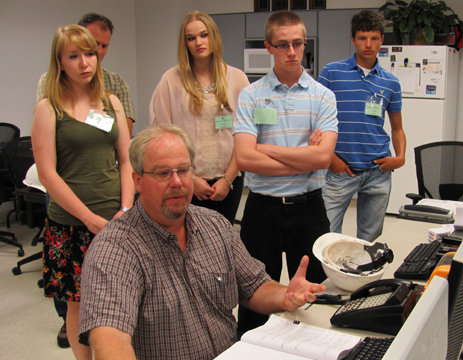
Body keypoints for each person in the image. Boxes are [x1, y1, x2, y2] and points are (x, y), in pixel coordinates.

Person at [78, 124, 326, 360]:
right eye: (163, 173)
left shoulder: (214, 225)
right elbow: (111, 339)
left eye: (183, 170)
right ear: (138, 180)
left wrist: (285, 296)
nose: (176, 182)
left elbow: (254, 286)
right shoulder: (116, 249)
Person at [31, 24, 135, 360]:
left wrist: (126, 209)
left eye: (89, 53)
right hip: (72, 224)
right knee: (78, 302)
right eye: (74, 56)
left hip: (117, 220)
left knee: (123, 297)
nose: (84, 62)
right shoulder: (49, 108)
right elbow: (47, 173)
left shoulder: (110, 102)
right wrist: (89, 218)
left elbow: (126, 161)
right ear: (60, 61)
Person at [233, 10, 338, 333]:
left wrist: (264, 148)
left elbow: (322, 158)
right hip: (262, 210)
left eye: (297, 43)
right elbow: (245, 160)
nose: (291, 52)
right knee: (254, 295)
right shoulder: (251, 95)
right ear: (268, 47)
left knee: (313, 294)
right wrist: (302, 153)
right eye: (282, 45)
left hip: (309, 209)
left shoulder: (323, 96)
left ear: (305, 43)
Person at [149, 11, 249, 225]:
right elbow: (162, 135)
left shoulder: (236, 78)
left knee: (222, 241)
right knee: (188, 243)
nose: (198, 42)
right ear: (184, 43)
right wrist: (191, 179)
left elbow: (246, 135)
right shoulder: (171, 80)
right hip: (185, 182)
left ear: (213, 36)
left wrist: (228, 180)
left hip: (227, 182)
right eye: (191, 38)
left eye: (204, 35)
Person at [317, 10, 406, 242]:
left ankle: (363, 279)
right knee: (326, 235)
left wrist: (401, 156)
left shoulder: (391, 82)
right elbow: (314, 120)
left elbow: (397, 127)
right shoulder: (331, 72)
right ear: (353, 39)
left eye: (374, 38)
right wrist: (330, 158)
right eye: (362, 38)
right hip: (339, 171)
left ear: (382, 40)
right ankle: (326, 280)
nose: (368, 44)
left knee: (370, 241)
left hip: (378, 171)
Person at [37, 12, 136, 137]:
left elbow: (123, 135)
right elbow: (49, 128)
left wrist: (89, 119)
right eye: (95, 44)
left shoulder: (116, 84)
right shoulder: (49, 82)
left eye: (104, 46)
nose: (100, 51)